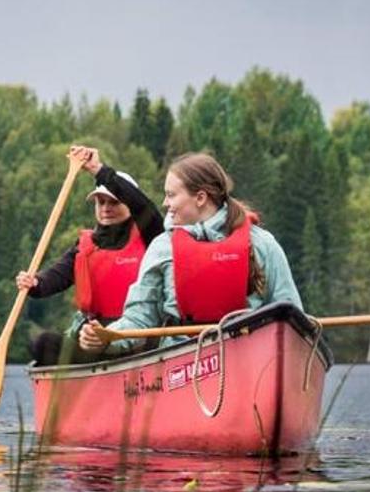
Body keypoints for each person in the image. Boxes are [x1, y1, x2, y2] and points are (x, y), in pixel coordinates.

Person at [78, 151, 303, 356]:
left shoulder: (262, 243)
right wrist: (106, 338)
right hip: (180, 362)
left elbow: (292, 315)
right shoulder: (162, 247)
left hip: (249, 356)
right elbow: (140, 318)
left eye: (171, 195)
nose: (165, 203)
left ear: (200, 198)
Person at [16, 145, 164, 365]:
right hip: (94, 338)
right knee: (42, 344)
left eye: (114, 201)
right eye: (100, 202)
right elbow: (56, 276)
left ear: (129, 204)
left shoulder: (151, 235)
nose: (106, 208)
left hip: (139, 338)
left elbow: (143, 207)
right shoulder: (85, 246)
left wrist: (98, 169)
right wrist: (35, 282)